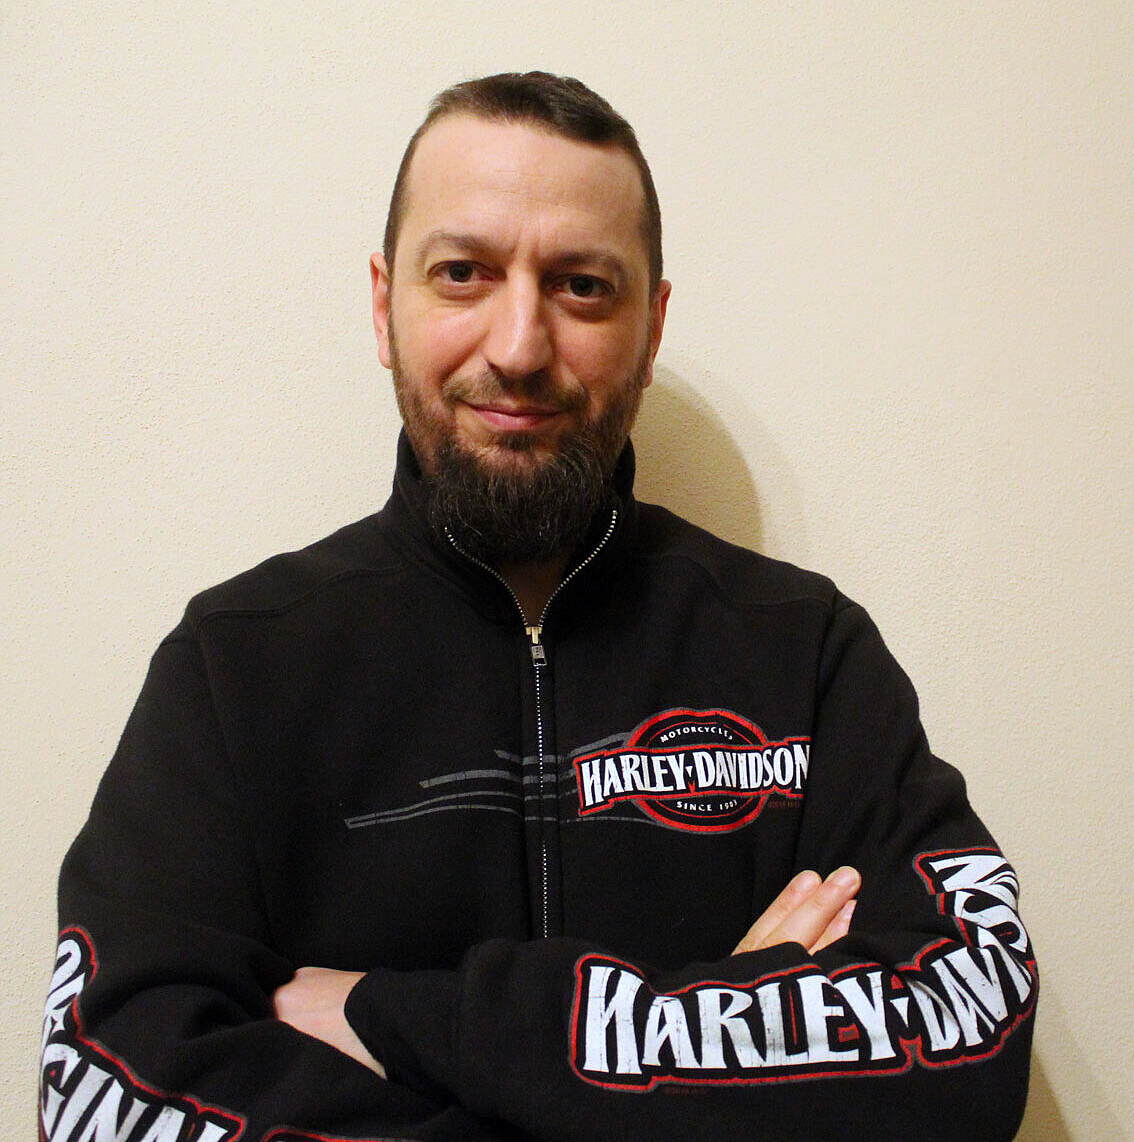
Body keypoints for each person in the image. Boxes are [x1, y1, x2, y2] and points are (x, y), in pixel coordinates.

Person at [40, 72, 1036, 1142]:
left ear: (652, 326)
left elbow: (967, 1045)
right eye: (462, 273)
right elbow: (107, 1093)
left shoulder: (806, 655)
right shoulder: (235, 668)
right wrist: (705, 1044)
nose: (519, 345)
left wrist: (407, 1020)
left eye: (582, 287)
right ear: (384, 305)